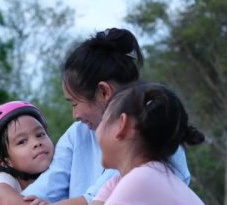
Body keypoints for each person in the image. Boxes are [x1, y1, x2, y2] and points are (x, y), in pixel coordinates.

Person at [21, 28, 191, 205]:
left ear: (104, 92)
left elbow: (95, 200)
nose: (75, 115)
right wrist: (1, 184)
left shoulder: (151, 141)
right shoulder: (78, 134)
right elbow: (44, 189)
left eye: (74, 104)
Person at [91, 81, 205, 204]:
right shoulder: (126, 180)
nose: (97, 129)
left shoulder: (140, 180)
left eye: (103, 119)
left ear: (121, 125)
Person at [0, 101, 54, 205]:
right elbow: (9, 201)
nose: (36, 143)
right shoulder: (2, 180)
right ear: (5, 161)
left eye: (40, 134)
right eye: (22, 141)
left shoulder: (61, 173)